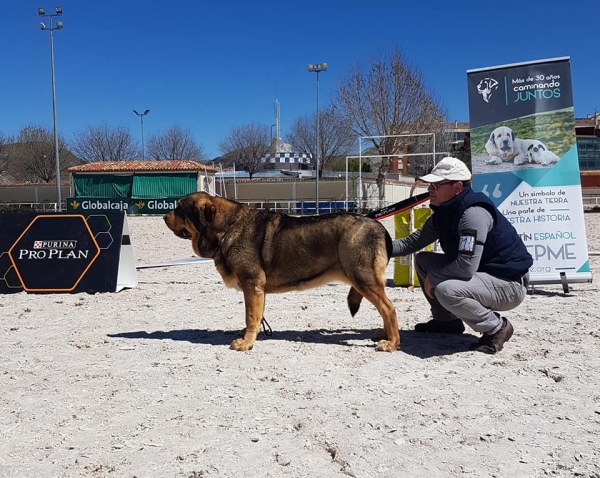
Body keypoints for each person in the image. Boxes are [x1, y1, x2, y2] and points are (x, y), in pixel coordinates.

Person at [391, 157, 533, 354]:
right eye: (430, 184)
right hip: (484, 275)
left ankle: (497, 328)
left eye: (436, 184)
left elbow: (466, 267)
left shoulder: (472, 214)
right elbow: (410, 243)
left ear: (457, 187)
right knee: (424, 261)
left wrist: (434, 278)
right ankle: (446, 322)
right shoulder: (444, 212)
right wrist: (374, 247)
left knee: (447, 289)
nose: (430, 189)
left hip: (509, 283)